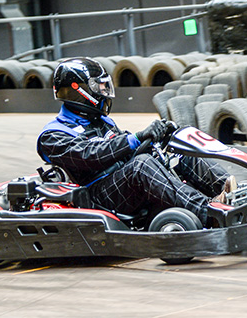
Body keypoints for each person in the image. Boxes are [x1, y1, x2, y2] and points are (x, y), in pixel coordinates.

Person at [37, 57, 234, 225]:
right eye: (99, 86)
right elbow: (92, 154)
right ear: (78, 90)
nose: (104, 92)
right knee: (141, 166)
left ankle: (230, 192)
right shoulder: (53, 135)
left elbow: (127, 147)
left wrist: (159, 138)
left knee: (177, 151)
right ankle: (209, 212)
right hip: (98, 198)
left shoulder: (101, 121)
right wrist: (137, 137)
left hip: (123, 184)